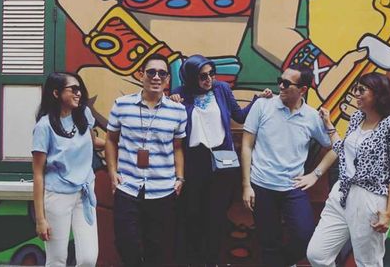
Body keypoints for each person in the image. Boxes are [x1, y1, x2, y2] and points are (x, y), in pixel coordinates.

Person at [301, 73, 390, 267]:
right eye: (355, 89)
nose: (356, 94)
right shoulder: (357, 118)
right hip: (341, 193)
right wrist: (329, 125)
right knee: (317, 255)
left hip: (369, 198)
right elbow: (344, 152)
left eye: (361, 90)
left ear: (379, 93)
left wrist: (389, 212)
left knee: (367, 262)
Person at [170, 55, 272, 264]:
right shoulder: (180, 94)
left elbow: (239, 116)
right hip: (194, 162)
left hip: (222, 161)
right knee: (192, 214)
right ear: (191, 77)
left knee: (216, 216)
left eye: (212, 74)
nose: (209, 79)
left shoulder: (222, 89)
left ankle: (211, 260)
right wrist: (172, 103)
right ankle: (193, 260)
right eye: (202, 76)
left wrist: (258, 99)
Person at [241, 64, 333, 267]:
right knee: (268, 242)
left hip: (293, 187)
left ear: (303, 89)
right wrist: (246, 185)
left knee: (304, 236)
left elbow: (334, 147)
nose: (280, 86)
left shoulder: (311, 116)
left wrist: (315, 175)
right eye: (280, 81)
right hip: (262, 185)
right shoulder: (263, 106)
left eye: (286, 83)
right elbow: (247, 145)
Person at [105, 53, 187, 266]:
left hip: (163, 189)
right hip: (128, 186)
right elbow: (111, 140)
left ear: (168, 79)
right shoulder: (122, 105)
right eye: (151, 72)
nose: (156, 77)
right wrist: (112, 173)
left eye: (162, 73)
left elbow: (178, 147)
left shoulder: (178, 111)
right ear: (141, 75)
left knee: (158, 248)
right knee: (126, 244)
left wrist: (180, 177)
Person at [32, 72, 100, 267]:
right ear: (56, 93)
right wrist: (40, 219)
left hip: (84, 194)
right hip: (58, 195)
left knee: (88, 259)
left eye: (80, 89)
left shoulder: (83, 115)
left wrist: (120, 144)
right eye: (73, 89)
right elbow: (38, 174)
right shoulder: (44, 127)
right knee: (57, 259)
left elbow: (93, 142)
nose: (79, 93)